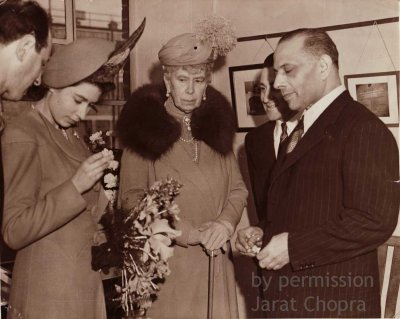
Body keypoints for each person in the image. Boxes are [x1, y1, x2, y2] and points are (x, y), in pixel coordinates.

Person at [252, 28, 399, 318]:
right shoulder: (298, 130)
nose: (277, 82)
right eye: (276, 72)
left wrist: (293, 248)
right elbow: (302, 209)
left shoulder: (363, 128)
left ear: (322, 66)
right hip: (291, 301)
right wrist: (264, 232)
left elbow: (374, 222)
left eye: (287, 70)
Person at [1, 22, 145, 317]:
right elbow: (14, 231)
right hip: (47, 296)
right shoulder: (23, 133)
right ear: (53, 86)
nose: (81, 115)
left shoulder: (73, 136)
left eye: (89, 107)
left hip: (82, 286)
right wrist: (76, 186)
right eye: (78, 101)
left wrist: (125, 224)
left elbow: (85, 215)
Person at [117, 17, 248, 319]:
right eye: (182, 79)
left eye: (198, 80)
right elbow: (131, 202)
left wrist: (225, 224)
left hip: (218, 262)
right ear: (166, 80)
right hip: (172, 269)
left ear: (207, 83)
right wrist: (191, 233)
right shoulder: (144, 132)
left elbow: (238, 189)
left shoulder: (216, 130)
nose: (190, 90)